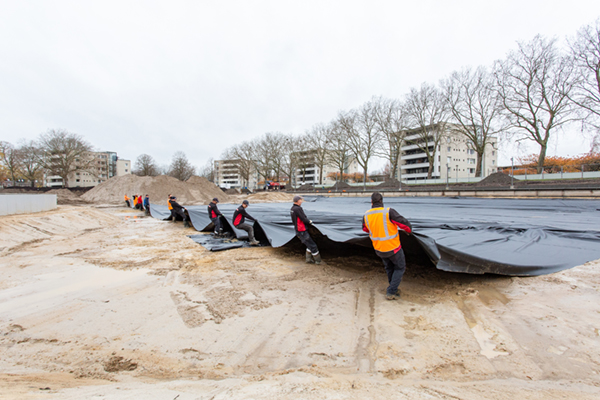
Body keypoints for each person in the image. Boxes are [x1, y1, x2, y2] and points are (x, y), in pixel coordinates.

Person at [362, 192, 412, 301]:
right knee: (399, 267)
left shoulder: (366, 215)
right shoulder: (388, 212)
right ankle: (392, 291)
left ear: (371, 202)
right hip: (393, 248)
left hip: (379, 248)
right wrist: (409, 230)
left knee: (389, 267)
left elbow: (365, 229)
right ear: (381, 201)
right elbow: (404, 225)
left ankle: (392, 287)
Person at [290, 195, 321, 264]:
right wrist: (309, 222)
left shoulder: (292, 208)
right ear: (298, 201)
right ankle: (318, 261)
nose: (301, 201)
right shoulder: (298, 209)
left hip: (298, 230)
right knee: (313, 245)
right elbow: (303, 218)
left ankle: (308, 260)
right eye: (301, 200)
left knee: (308, 244)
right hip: (302, 230)